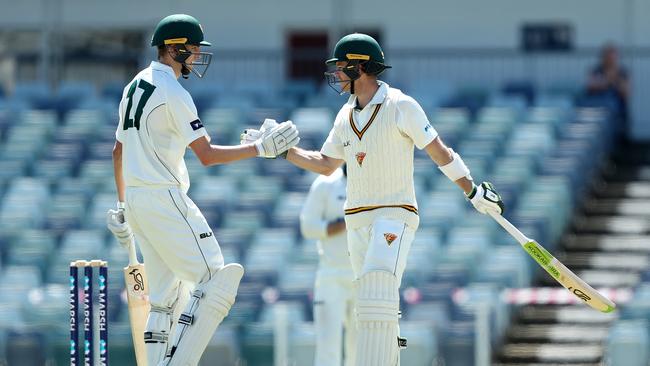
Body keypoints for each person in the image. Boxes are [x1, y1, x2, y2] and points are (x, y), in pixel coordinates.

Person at [245, 33, 504, 365]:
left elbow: (438, 151)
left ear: (360, 67)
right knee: (370, 305)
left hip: (395, 213)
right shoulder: (344, 116)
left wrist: (470, 188)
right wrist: (284, 152)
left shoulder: (401, 105)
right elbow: (325, 165)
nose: (336, 74)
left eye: (341, 67)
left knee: (377, 290)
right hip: (357, 219)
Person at [105, 14, 299, 366]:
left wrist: (122, 205)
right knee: (215, 277)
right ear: (175, 49)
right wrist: (261, 148)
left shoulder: (133, 85)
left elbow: (118, 152)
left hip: (136, 199)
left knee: (165, 299)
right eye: (192, 49)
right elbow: (207, 155)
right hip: (163, 196)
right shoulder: (172, 92)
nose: (196, 56)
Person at [300, 165, 356, 366]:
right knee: (327, 349)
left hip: (363, 277)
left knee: (360, 350)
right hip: (331, 275)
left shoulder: (374, 184)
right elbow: (308, 226)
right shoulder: (325, 183)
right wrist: (340, 224)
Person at [586, 43, 630, 138]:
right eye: (607, 57)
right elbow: (591, 87)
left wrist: (614, 80)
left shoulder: (622, 72)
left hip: (617, 109)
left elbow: (626, 92)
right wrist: (607, 81)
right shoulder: (596, 70)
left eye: (612, 57)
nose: (610, 60)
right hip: (598, 106)